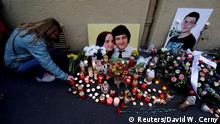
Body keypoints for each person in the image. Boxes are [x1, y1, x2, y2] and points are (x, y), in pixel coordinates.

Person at [4, 18, 74, 82]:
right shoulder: (35, 41)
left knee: (50, 51)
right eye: (56, 34)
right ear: (50, 31)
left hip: (13, 58)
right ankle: (40, 76)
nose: (57, 36)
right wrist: (65, 77)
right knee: (43, 59)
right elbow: (46, 62)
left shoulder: (29, 28)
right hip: (15, 65)